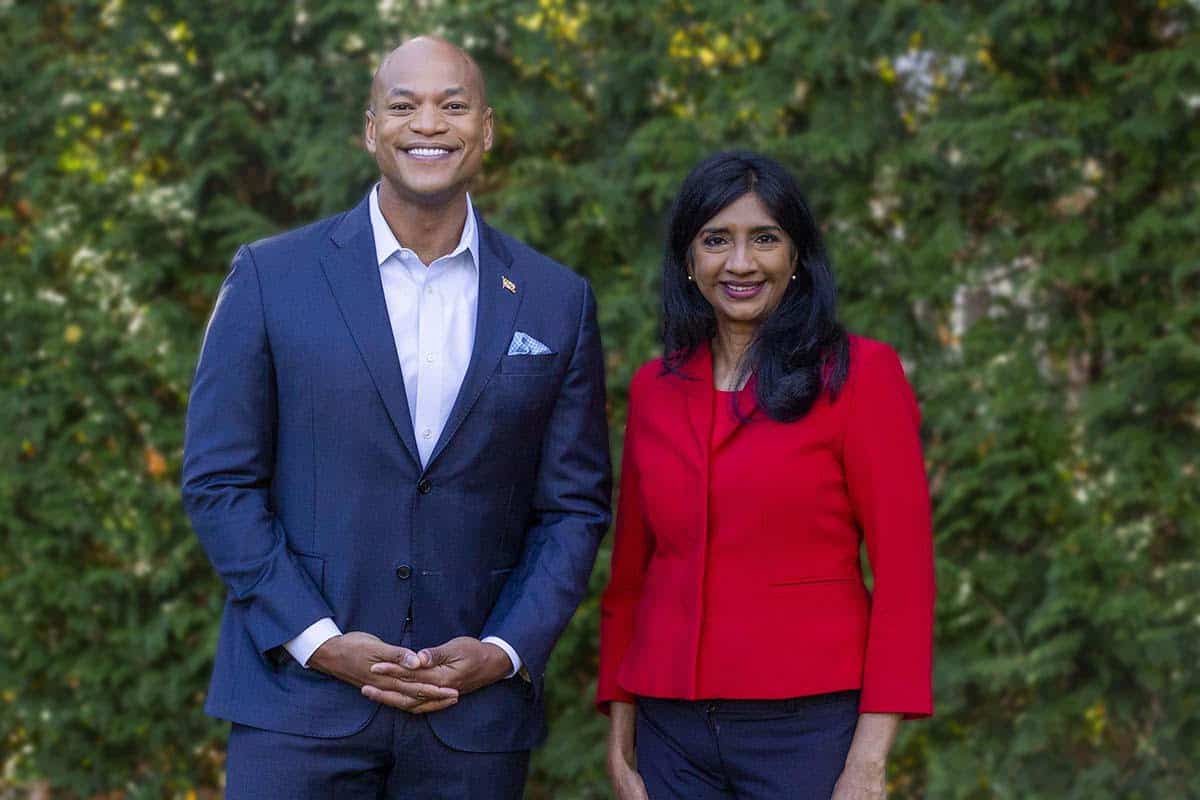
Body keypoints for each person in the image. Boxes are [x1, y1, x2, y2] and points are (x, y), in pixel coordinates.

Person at [182, 36, 611, 798]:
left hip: (472, 720)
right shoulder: (270, 277)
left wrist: (505, 649)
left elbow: (573, 507)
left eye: (453, 105)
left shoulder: (556, 300)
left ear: (486, 128)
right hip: (297, 711)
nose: (429, 123)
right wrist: (319, 642)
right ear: (371, 129)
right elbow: (219, 483)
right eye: (404, 105)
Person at [597, 151, 935, 800]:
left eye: (765, 239)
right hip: (671, 734)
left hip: (806, 734)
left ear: (797, 256)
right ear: (689, 262)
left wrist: (867, 762)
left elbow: (904, 580)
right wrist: (620, 736)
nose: (741, 263)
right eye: (716, 240)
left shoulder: (861, 376)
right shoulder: (654, 389)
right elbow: (630, 578)